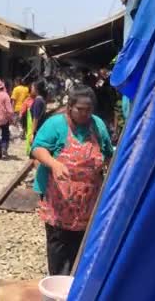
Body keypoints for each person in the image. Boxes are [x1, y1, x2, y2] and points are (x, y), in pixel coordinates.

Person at [31, 84, 114, 275]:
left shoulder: (97, 125)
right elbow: (37, 149)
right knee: (60, 249)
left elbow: (108, 154)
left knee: (82, 249)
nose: (85, 114)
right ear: (70, 107)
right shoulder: (55, 124)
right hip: (58, 202)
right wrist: (54, 164)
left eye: (89, 110)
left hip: (88, 203)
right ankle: (58, 284)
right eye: (80, 110)